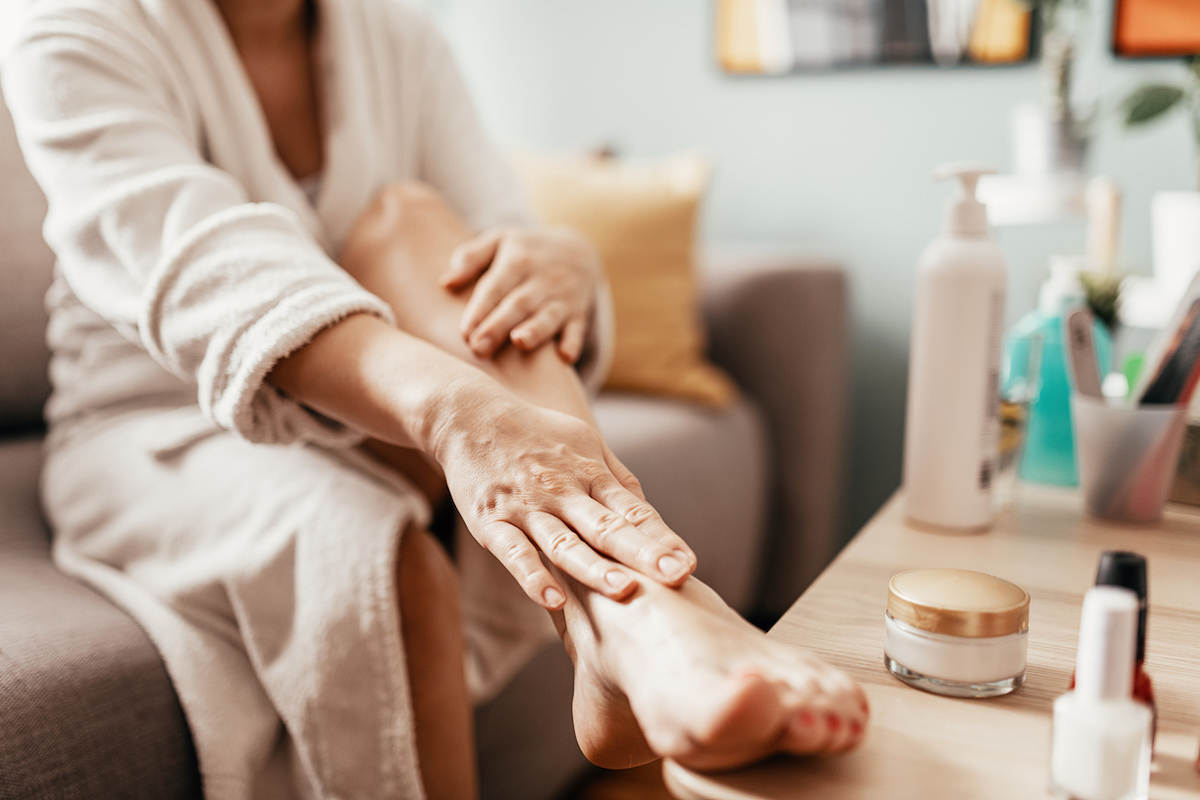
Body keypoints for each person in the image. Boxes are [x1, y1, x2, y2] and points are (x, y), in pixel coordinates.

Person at [3, 0, 869, 797]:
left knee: (410, 218)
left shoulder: (396, 34)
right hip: (161, 424)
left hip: (376, 404)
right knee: (379, 562)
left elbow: (489, 233)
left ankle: (626, 610)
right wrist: (461, 414)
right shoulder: (71, 22)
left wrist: (559, 260)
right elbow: (200, 266)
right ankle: (647, 614)